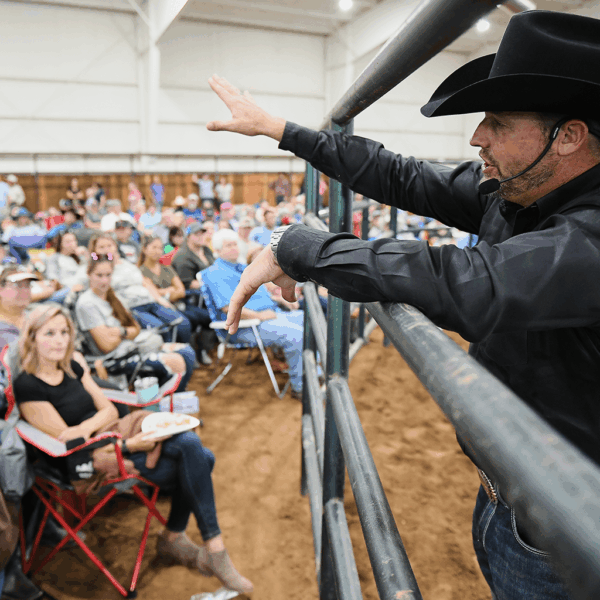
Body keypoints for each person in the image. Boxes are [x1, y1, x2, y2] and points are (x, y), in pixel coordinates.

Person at [206, 11, 600, 600]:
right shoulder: (519, 192)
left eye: (497, 122)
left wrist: (303, 246)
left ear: (567, 137)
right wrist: (284, 130)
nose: (477, 137)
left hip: (565, 530)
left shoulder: (590, 234)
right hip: (512, 489)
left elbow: (474, 283)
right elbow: (405, 177)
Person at [13, 303, 252, 595]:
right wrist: (125, 443)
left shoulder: (73, 367)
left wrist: (90, 428)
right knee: (202, 458)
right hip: (85, 462)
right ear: (32, 338)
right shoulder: (27, 386)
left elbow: (109, 411)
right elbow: (67, 441)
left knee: (191, 447)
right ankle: (189, 543)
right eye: (49, 333)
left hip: (113, 437)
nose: (60, 340)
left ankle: (204, 546)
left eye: (64, 332)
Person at [202, 229, 304, 398]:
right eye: (228, 245)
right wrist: (259, 316)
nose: (234, 248)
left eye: (235, 244)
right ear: (218, 250)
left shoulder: (242, 267)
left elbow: (261, 293)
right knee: (296, 335)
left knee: (309, 321)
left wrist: (280, 299)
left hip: (270, 315)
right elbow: (228, 308)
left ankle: (312, 372)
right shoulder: (215, 273)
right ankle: (299, 386)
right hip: (246, 326)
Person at [75, 255, 195, 393]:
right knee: (176, 363)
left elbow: (135, 328)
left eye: (108, 275)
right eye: (99, 275)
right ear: (89, 275)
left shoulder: (113, 296)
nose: (104, 280)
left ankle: (169, 397)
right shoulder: (87, 304)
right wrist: (126, 332)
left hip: (134, 347)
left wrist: (120, 332)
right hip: (116, 358)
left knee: (187, 352)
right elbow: (106, 345)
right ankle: (158, 400)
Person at [88, 234, 193, 343]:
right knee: (161, 330)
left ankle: (182, 350)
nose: (106, 250)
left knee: (183, 323)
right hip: (132, 307)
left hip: (150, 300)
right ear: (94, 251)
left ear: (115, 246)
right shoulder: (96, 271)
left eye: (109, 246)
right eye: (101, 247)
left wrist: (159, 299)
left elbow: (145, 283)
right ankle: (168, 351)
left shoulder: (127, 264)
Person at [139, 236, 213, 364]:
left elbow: (181, 290)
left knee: (207, 316)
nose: (157, 251)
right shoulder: (141, 271)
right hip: (162, 308)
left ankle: (202, 350)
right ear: (144, 249)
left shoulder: (166, 268)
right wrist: (171, 291)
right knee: (185, 323)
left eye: (160, 248)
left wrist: (164, 292)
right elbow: (153, 293)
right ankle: (188, 356)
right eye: (154, 247)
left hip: (181, 304)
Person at [44, 232, 88, 303]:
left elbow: (94, 264)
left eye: (74, 241)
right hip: (66, 290)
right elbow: (52, 278)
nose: (73, 244)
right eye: (68, 242)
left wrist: (86, 253)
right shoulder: (55, 257)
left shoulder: (78, 258)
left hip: (81, 287)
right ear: (61, 244)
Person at [171, 222, 214, 290]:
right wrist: (211, 284)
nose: (200, 237)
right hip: (195, 293)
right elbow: (188, 283)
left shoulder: (206, 250)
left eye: (202, 233)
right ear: (188, 237)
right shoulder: (182, 256)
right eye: (197, 234)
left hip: (211, 287)